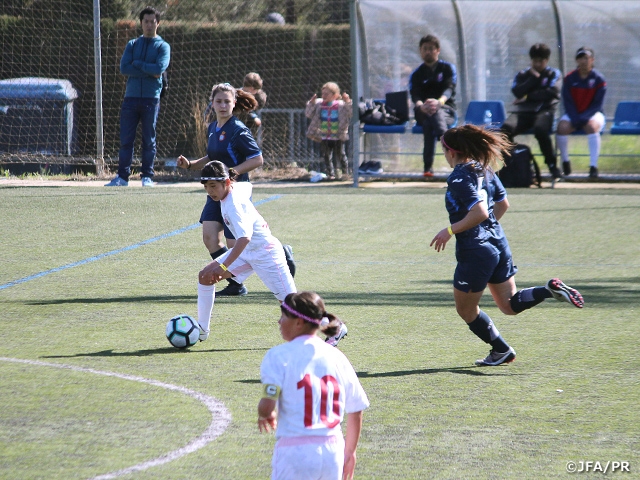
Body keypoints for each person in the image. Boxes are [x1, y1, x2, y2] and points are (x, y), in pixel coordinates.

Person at [430, 125, 584, 366]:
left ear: (451, 151)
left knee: (466, 311)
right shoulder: (485, 169)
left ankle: (501, 349)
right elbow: (502, 205)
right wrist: (487, 230)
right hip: (498, 243)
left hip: (476, 251)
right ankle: (548, 290)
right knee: (510, 305)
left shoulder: (459, 177)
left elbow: (480, 212)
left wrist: (450, 230)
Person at [178, 83, 296, 296]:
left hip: (236, 189)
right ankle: (236, 283)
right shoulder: (213, 128)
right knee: (209, 238)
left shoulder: (239, 130)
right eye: (219, 101)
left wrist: (232, 172)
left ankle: (280, 257)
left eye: (227, 101)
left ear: (234, 104)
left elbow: (257, 159)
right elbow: (213, 157)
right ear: (212, 104)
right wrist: (191, 164)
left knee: (236, 243)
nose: (223, 105)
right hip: (216, 188)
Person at [258, 291, 368, 480]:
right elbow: (356, 409)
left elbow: (268, 404)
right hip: (333, 450)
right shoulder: (337, 357)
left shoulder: (278, 356)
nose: (279, 322)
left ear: (299, 322)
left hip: (295, 451)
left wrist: (265, 413)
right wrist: (350, 452)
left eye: (283, 316)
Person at [194, 161, 296, 341]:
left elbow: (244, 238)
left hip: (266, 254)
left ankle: (334, 327)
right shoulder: (231, 191)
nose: (209, 191)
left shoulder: (234, 204)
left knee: (292, 305)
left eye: (213, 186)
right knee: (205, 276)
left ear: (226, 183)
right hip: (247, 253)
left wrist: (223, 267)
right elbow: (247, 186)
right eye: (206, 187)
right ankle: (202, 331)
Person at [105, 6, 170, 187]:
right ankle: (122, 177)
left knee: (149, 139)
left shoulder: (163, 46)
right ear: (141, 23)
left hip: (151, 99)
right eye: (146, 21)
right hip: (130, 99)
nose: (149, 25)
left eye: (152, 21)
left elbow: (158, 70)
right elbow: (124, 68)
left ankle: (147, 176)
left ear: (158, 23)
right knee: (126, 139)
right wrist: (147, 69)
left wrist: (139, 64)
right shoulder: (132, 44)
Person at [501, 43, 562, 178]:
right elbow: (517, 91)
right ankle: (511, 164)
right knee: (505, 129)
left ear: (547, 60)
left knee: (540, 130)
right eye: (535, 61)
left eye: (541, 61)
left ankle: (552, 165)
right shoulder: (523, 74)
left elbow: (552, 92)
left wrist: (527, 96)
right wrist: (534, 79)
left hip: (545, 111)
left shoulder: (554, 74)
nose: (538, 64)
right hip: (524, 112)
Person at [409, 34, 457, 177]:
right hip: (423, 111)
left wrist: (439, 102)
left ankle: (427, 169)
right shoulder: (417, 74)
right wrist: (421, 106)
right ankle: (448, 145)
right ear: (420, 51)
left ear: (438, 50)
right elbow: (415, 95)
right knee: (430, 115)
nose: (428, 52)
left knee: (430, 123)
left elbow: (450, 89)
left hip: (446, 109)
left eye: (431, 48)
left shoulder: (447, 68)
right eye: (425, 49)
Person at [556, 47, 607, 179]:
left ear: (592, 60)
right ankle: (565, 162)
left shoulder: (599, 79)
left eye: (586, 58)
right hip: (574, 114)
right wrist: (575, 117)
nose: (584, 61)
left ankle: (593, 167)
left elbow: (597, 105)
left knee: (591, 127)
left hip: (593, 114)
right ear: (577, 60)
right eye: (581, 58)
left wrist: (584, 117)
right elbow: (568, 101)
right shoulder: (570, 78)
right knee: (561, 128)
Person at [306, 82, 352, 180]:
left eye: (326, 94)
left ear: (335, 95)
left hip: (337, 135)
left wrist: (348, 101)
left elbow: (351, 112)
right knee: (326, 155)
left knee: (340, 154)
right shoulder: (319, 104)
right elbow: (308, 114)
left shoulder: (341, 105)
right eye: (323, 94)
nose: (323, 96)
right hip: (325, 135)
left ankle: (345, 173)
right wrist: (311, 103)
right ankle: (330, 174)